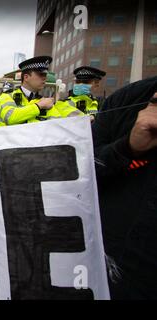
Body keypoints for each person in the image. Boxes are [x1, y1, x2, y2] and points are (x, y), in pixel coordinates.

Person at [92, 76, 157, 299]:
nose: (92, 85)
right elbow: (85, 170)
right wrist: (128, 148)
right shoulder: (128, 99)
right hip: (120, 272)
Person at [0, 56, 61, 126]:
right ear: (26, 77)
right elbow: (9, 118)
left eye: (45, 75)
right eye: (41, 74)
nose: (45, 78)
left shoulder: (45, 102)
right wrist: (39, 106)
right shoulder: (7, 96)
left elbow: (57, 125)